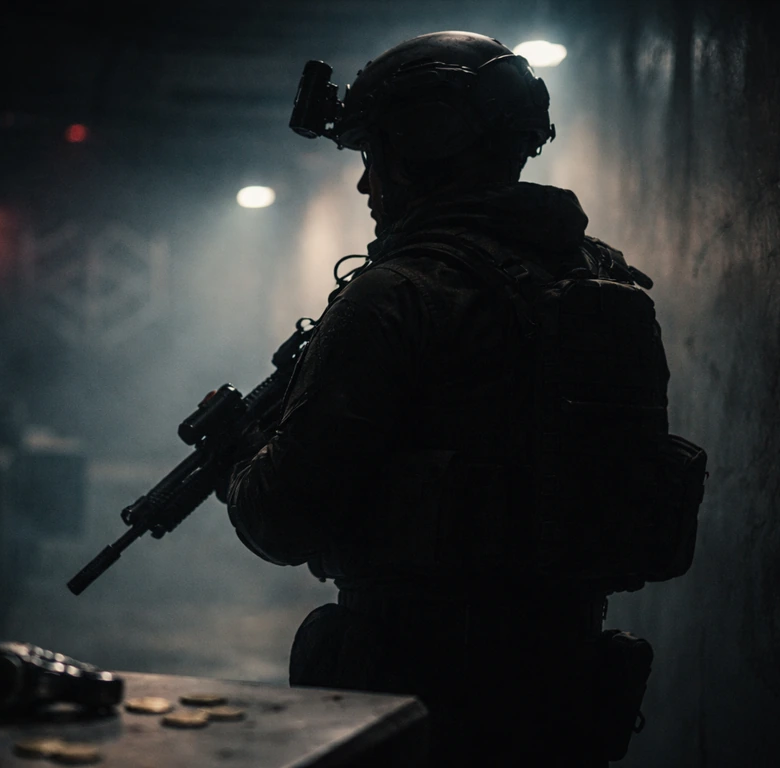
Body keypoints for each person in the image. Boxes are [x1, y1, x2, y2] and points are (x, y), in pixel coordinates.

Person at [226, 31, 664, 767]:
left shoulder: (395, 296)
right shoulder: (606, 284)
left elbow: (282, 521)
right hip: (563, 689)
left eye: (373, 155)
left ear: (421, 148)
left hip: (419, 696)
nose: (366, 186)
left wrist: (242, 456)